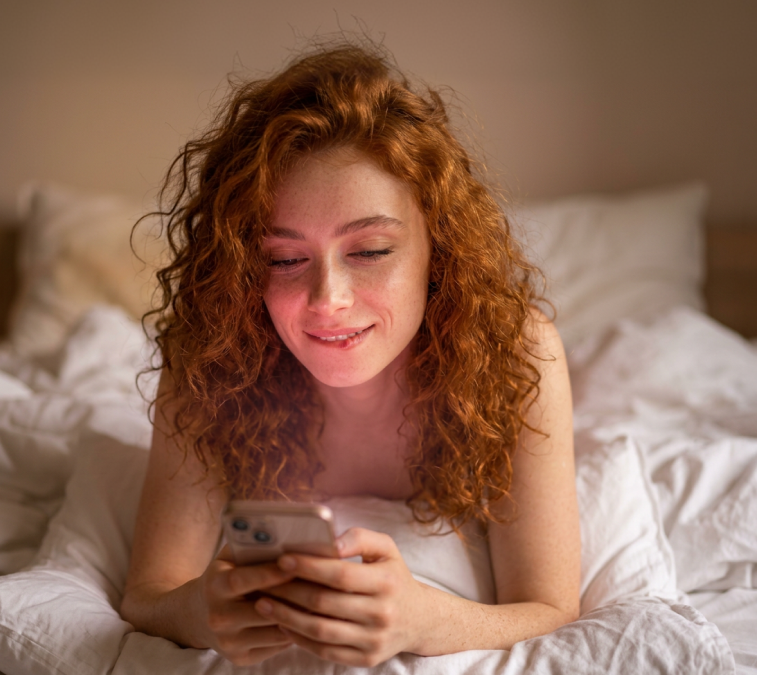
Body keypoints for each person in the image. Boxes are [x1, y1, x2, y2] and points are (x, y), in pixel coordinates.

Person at [120, 42, 579, 668]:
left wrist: (422, 620)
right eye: (284, 260)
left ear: (437, 249)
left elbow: (551, 609)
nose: (327, 300)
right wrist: (201, 611)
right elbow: (148, 597)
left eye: (369, 252)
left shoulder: (518, 354)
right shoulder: (209, 357)